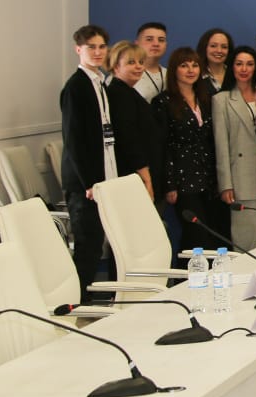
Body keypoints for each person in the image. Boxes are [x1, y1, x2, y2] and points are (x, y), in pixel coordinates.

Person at [60, 25, 121, 295]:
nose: (97, 52)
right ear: (78, 49)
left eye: (101, 47)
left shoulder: (99, 82)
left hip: (103, 176)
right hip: (85, 184)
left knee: (98, 244)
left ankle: (86, 299)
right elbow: (74, 140)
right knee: (88, 246)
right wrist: (89, 182)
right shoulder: (76, 86)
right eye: (91, 47)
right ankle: (77, 303)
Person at [152, 47, 222, 250]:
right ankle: (188, 269)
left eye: (194, 65)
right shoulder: (163, 102)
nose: (191, 70)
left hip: (209, 176)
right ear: (174, 70)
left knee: (213, 233)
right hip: (183, 178)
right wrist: (169, 184)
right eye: (184, 66)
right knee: (195, 234)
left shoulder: (207, 98)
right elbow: (163, 145)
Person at [213, 45, 256, 249]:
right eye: (239, 64)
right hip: (242, 175)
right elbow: (221, 145)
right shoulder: (222, 100)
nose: (244, 69)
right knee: (248, 235)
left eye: (249, 64)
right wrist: (226, 184)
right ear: (232, 67)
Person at [104, 41, 159, 202]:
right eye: (131, 62)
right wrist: (146, 177)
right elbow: (127, 137)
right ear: (116, 66)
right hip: (132, 174)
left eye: (141, 62)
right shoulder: (118, 94)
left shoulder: (127, 91)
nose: (138, 67)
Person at [136, 21, 168, 101]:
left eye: (161, 40)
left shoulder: (170, 75)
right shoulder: (126, 75)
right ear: (136, 44)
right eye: (149, 39)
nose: (156, 44)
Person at [196, 28, 231, 93]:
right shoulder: (196, 76)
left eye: (224, 47)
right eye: (213, 46)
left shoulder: (235, 74)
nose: (219, 50)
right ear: (204, 48)